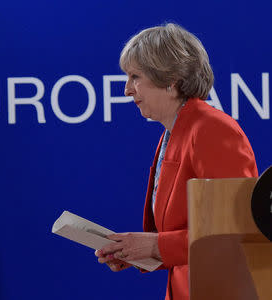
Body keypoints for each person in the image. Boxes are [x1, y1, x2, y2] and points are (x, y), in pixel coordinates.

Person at [94, 23, 258, 300]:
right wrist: (133, 251)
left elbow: (235, 229)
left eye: (135, 77)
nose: (126, 90)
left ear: (170, 81)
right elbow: (185, 234)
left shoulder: (211, 128)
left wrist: (155, 245)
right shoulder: (174, 132)